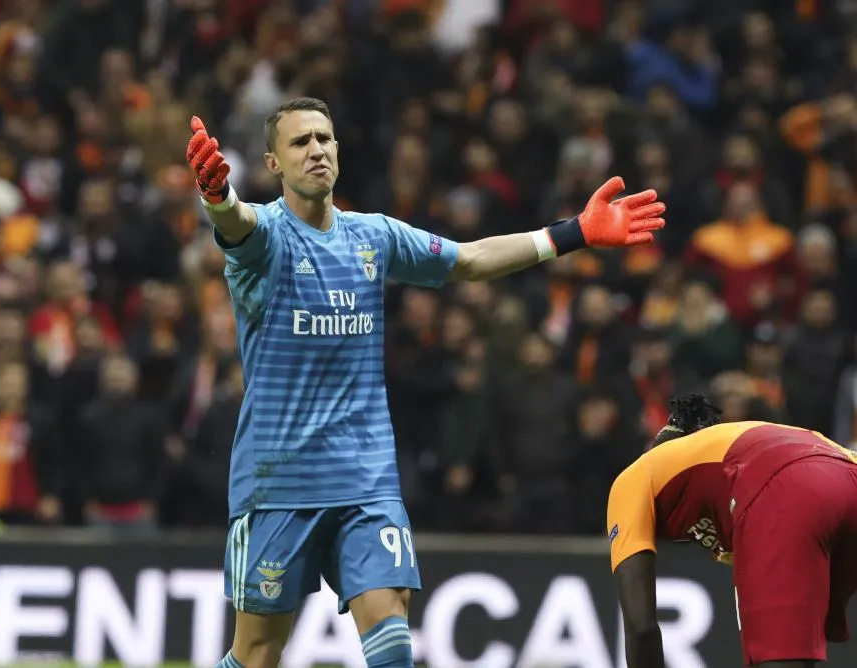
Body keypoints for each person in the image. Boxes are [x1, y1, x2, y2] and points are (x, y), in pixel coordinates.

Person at [186, 96, 666, 668]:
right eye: (299, 142)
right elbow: (235, 224)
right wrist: (218, 198)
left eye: (324, 138)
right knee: (257, 654)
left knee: (393, 646)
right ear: (272, 163)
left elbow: (470, 260)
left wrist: (575, 232)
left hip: (366, 484)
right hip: (278, 486)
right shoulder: (266, 236)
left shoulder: (374, 236)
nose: (316, 150)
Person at [607, 394, 857, 668]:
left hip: (783, 486)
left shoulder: (635, 476)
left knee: (776, 657)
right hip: (847, 472)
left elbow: (641, 628)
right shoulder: (738, 449)